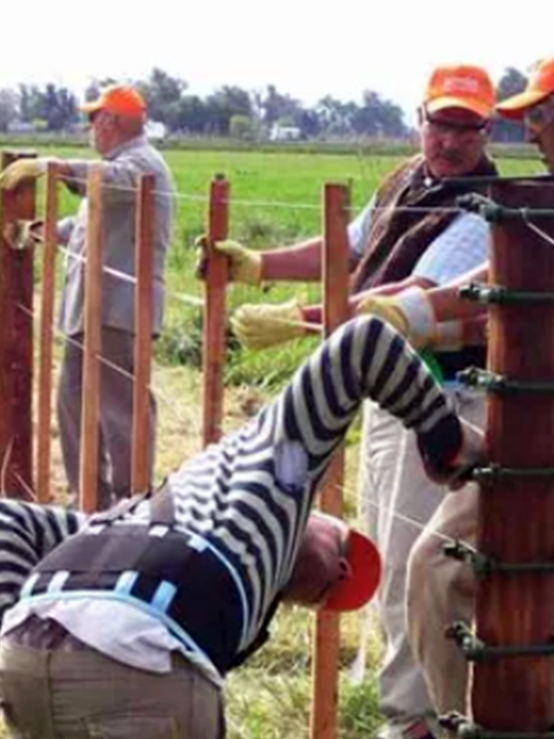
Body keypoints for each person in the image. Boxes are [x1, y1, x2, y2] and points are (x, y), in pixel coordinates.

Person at [0, 315, 485, 739]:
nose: (340, 573)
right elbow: (364, 342)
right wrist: (445, 439)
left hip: (27, 671)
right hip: (126, 661)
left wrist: (21, 644)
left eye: (327, 595)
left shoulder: (124, 523)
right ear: (315, 518)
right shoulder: (279, 471)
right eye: (345, 551)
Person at [377, 50, 554, 739]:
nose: (530, 132)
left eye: (539, 114)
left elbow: (517, 260)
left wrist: (417, 311)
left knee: (439, 569)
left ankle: (453, 725)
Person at [202, 63, 499, 739]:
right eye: (441, 123)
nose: (450, 141)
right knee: (386, 542)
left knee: (416, 557)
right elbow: (349, 247)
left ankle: (416, 717)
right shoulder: (406, 180)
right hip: (388, 393)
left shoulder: (486, 207)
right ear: (419, 118)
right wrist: (259, 264)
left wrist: (301, 320)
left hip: (441, 398)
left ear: (488, 129)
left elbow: (408, 296)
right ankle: (403, 690)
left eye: (466, 127)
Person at [0, 84, 176, 509]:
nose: (89, 129)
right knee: (74, 401)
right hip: (91, 310)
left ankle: (132, 503)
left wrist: (52, 167)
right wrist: (41, 231)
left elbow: (110, 185)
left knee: (120, 410)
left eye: (93, 120)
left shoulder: (140, 164)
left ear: (111, 122)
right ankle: (90, 501)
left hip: (118, 311)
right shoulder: (115, 164)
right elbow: (87, 222)